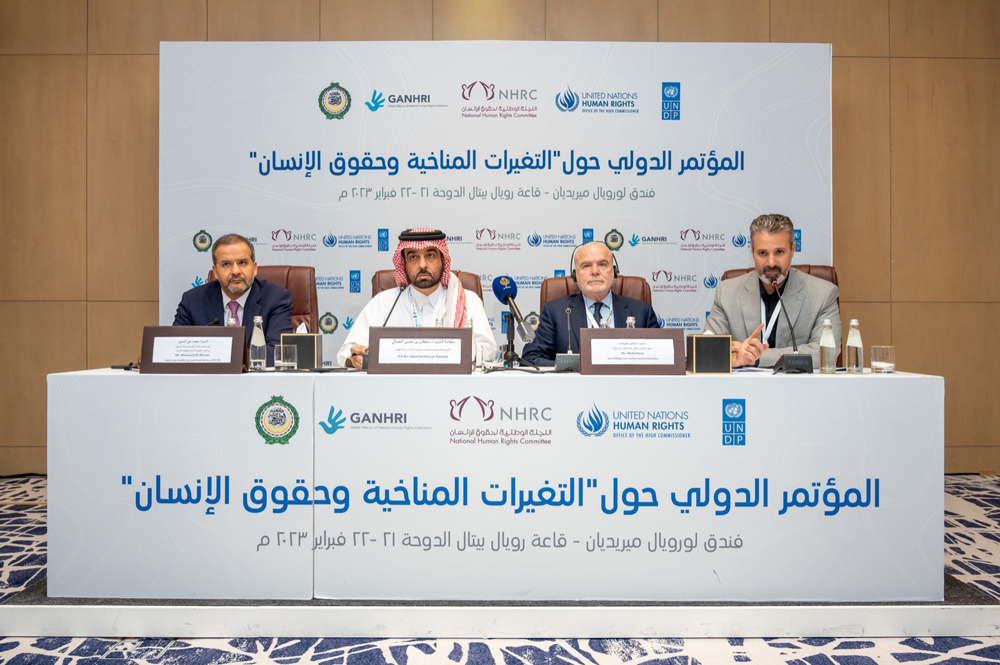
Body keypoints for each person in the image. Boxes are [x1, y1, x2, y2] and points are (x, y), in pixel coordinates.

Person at [337, 228, 498, 369]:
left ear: (443, 260)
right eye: (413, 257)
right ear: (404, 263)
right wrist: (355, 360)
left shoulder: (468, 301)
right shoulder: (385, 302)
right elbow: (347, 351)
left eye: (430, 255)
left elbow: (489, 351)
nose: (422, 265)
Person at [705, 213, 841, 368]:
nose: (771, 263)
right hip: (743, 390)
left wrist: (753, 357)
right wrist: (735, 359)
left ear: (792, 250)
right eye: (763, 253)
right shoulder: (726, 293)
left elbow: (826, 354)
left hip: (799, 390)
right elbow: (706, 351)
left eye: (779, 252)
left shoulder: (823, 294)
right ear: (752, 252)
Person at [521, 241, 659, 367]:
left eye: (602, 264)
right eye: (586, 266)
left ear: (614, 271)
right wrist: (573, 367)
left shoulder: (642, 312)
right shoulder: (554, 313)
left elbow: (663, 357)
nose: (595, 271)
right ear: (575, 275)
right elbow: (530, 358)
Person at [173, 233, 293, 364]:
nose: (236, 271)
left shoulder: (276, 298)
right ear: (215, 272)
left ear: (254, 268)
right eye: (226, 264)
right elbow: (176, 349)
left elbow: (277, 353)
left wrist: (216, 355)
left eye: (242, 262)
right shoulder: (192, 301)